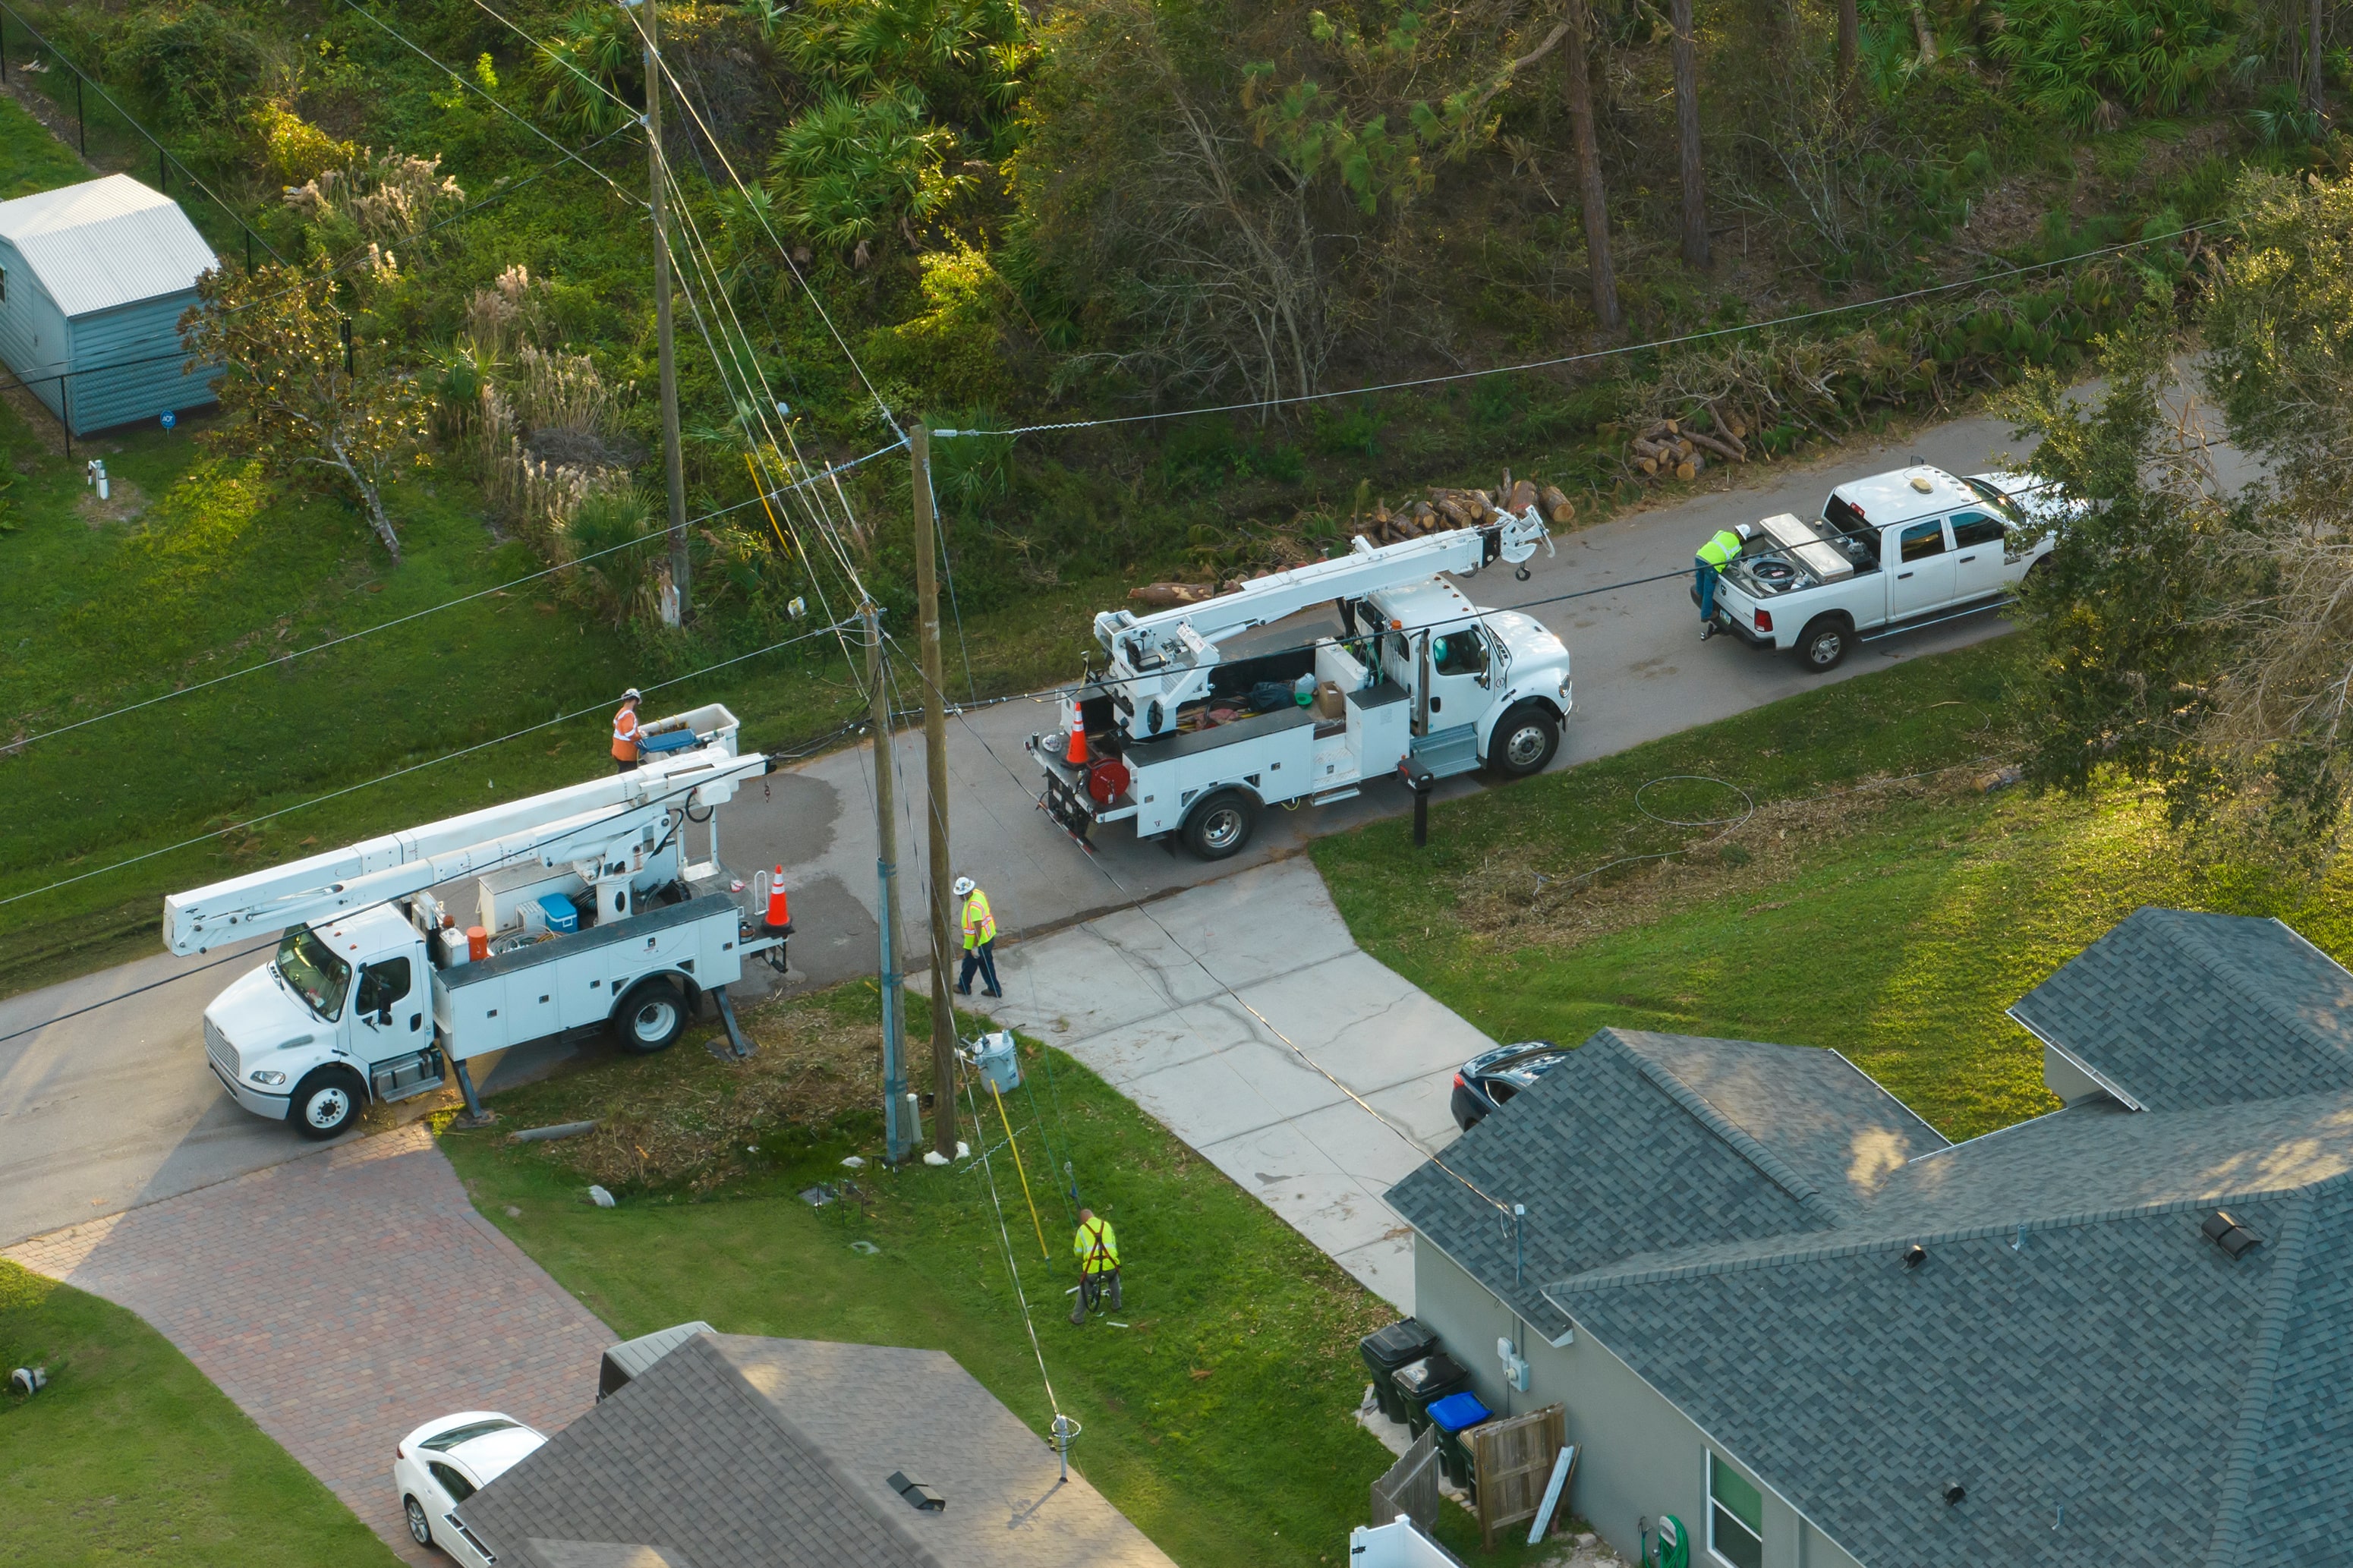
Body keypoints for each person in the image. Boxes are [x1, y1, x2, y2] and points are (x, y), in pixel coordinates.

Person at [1694, 524, 1754, 642]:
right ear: (1742, 538)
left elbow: (1715, 546)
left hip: (1700, 557)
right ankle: (1706, 615)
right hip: (1712, 566)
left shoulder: (1721, 533)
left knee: (1700, 582)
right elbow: (1736, 564)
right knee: (1708, 591)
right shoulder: (1738, 548)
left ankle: (1698, 596)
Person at [1070, 1206, 1120, 1324]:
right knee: (1114, 1279)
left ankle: (1077, 1317)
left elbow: (1077, 1252)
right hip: (1110, 1263)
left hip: (1092, 1266)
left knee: (1085, 1288)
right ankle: (1117, 1305)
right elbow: (1113, 1244)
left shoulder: (1082, 1229)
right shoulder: (1106, 1225)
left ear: (1083, 1220)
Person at [953, 876, 1001, 998]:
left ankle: (964, 987)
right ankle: (994, 989)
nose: (960, 897)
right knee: (986, 965)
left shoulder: (973, 906)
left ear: (967, 893)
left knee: (969, 965)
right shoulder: (978, 893)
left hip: (978, 943)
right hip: (988, 937)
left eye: (961, 895)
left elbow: (977, 927)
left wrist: (975, 946)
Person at [610, 688, 642, 773]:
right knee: (629, 776)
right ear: (635, 700)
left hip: (618, 750)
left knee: (622, 772)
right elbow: (629, 733)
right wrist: (640, 736)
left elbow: (615, 724)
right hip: (627, 753)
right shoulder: (628, 714)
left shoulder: (621, 711)